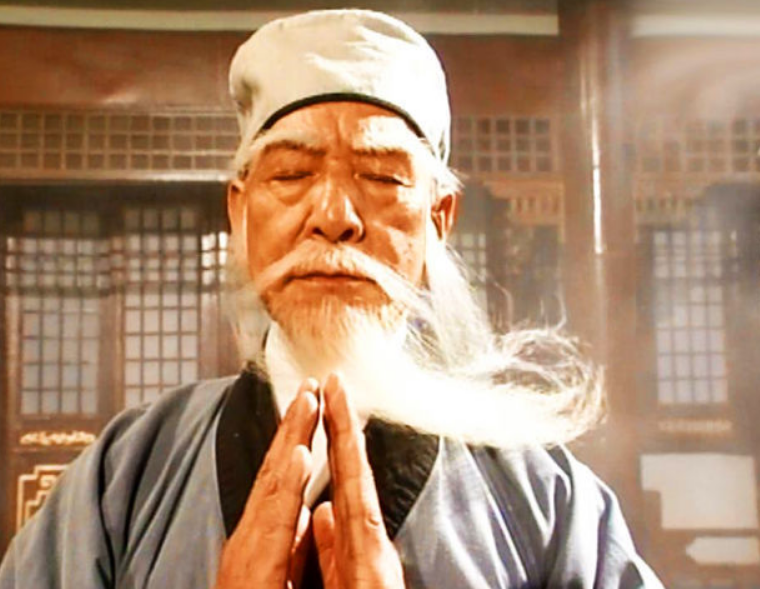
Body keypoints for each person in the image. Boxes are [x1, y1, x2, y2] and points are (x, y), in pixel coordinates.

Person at [0, 9, 663, 588]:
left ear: (438, 219)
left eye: (381, 177)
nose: (335, 216)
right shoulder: (126, 475)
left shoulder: (541, 499)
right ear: (240, 211)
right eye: (291, 173)